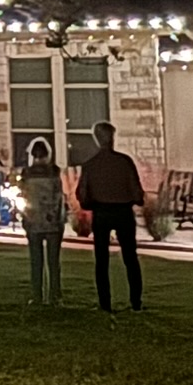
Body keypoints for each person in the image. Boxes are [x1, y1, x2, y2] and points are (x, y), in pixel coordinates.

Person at [75, 120, 145, 312]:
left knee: (102, 259)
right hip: (123, 212)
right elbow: (137, 193)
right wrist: (135, 199)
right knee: (130, 258)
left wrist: (90, 202)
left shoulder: (90, 165)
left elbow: (83, 195)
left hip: (102, 212)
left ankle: (105, 303)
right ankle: (136, 302)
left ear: (97, 139)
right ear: (112, 138)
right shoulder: (124, 162)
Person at [19, 138, 67, 307]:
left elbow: (23, 196)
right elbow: (59, 196)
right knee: (54, 262)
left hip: (33, 220)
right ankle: (55, 296)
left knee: (36, 261)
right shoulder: (54, 172)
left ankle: (37, 296)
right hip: (53, 221)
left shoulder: (27, 173)